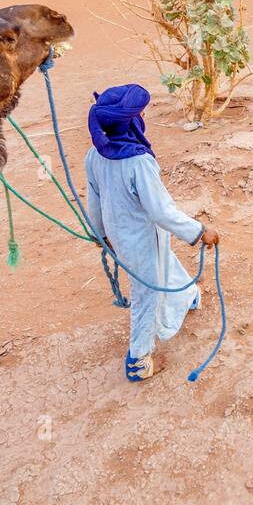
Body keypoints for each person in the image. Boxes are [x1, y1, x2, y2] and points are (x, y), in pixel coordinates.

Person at [83, 84, 219, 382]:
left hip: (121, 238)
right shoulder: (138, 162)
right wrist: (199, 231)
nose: (143, 116)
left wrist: (101, 236)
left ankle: (189, 296)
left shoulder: (95, 155)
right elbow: (160, 212)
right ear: (129, 122)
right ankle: (138, 359)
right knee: (146, 294)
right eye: (139, 113)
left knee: (164, 262)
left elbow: (93, 200)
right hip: (141, 238)